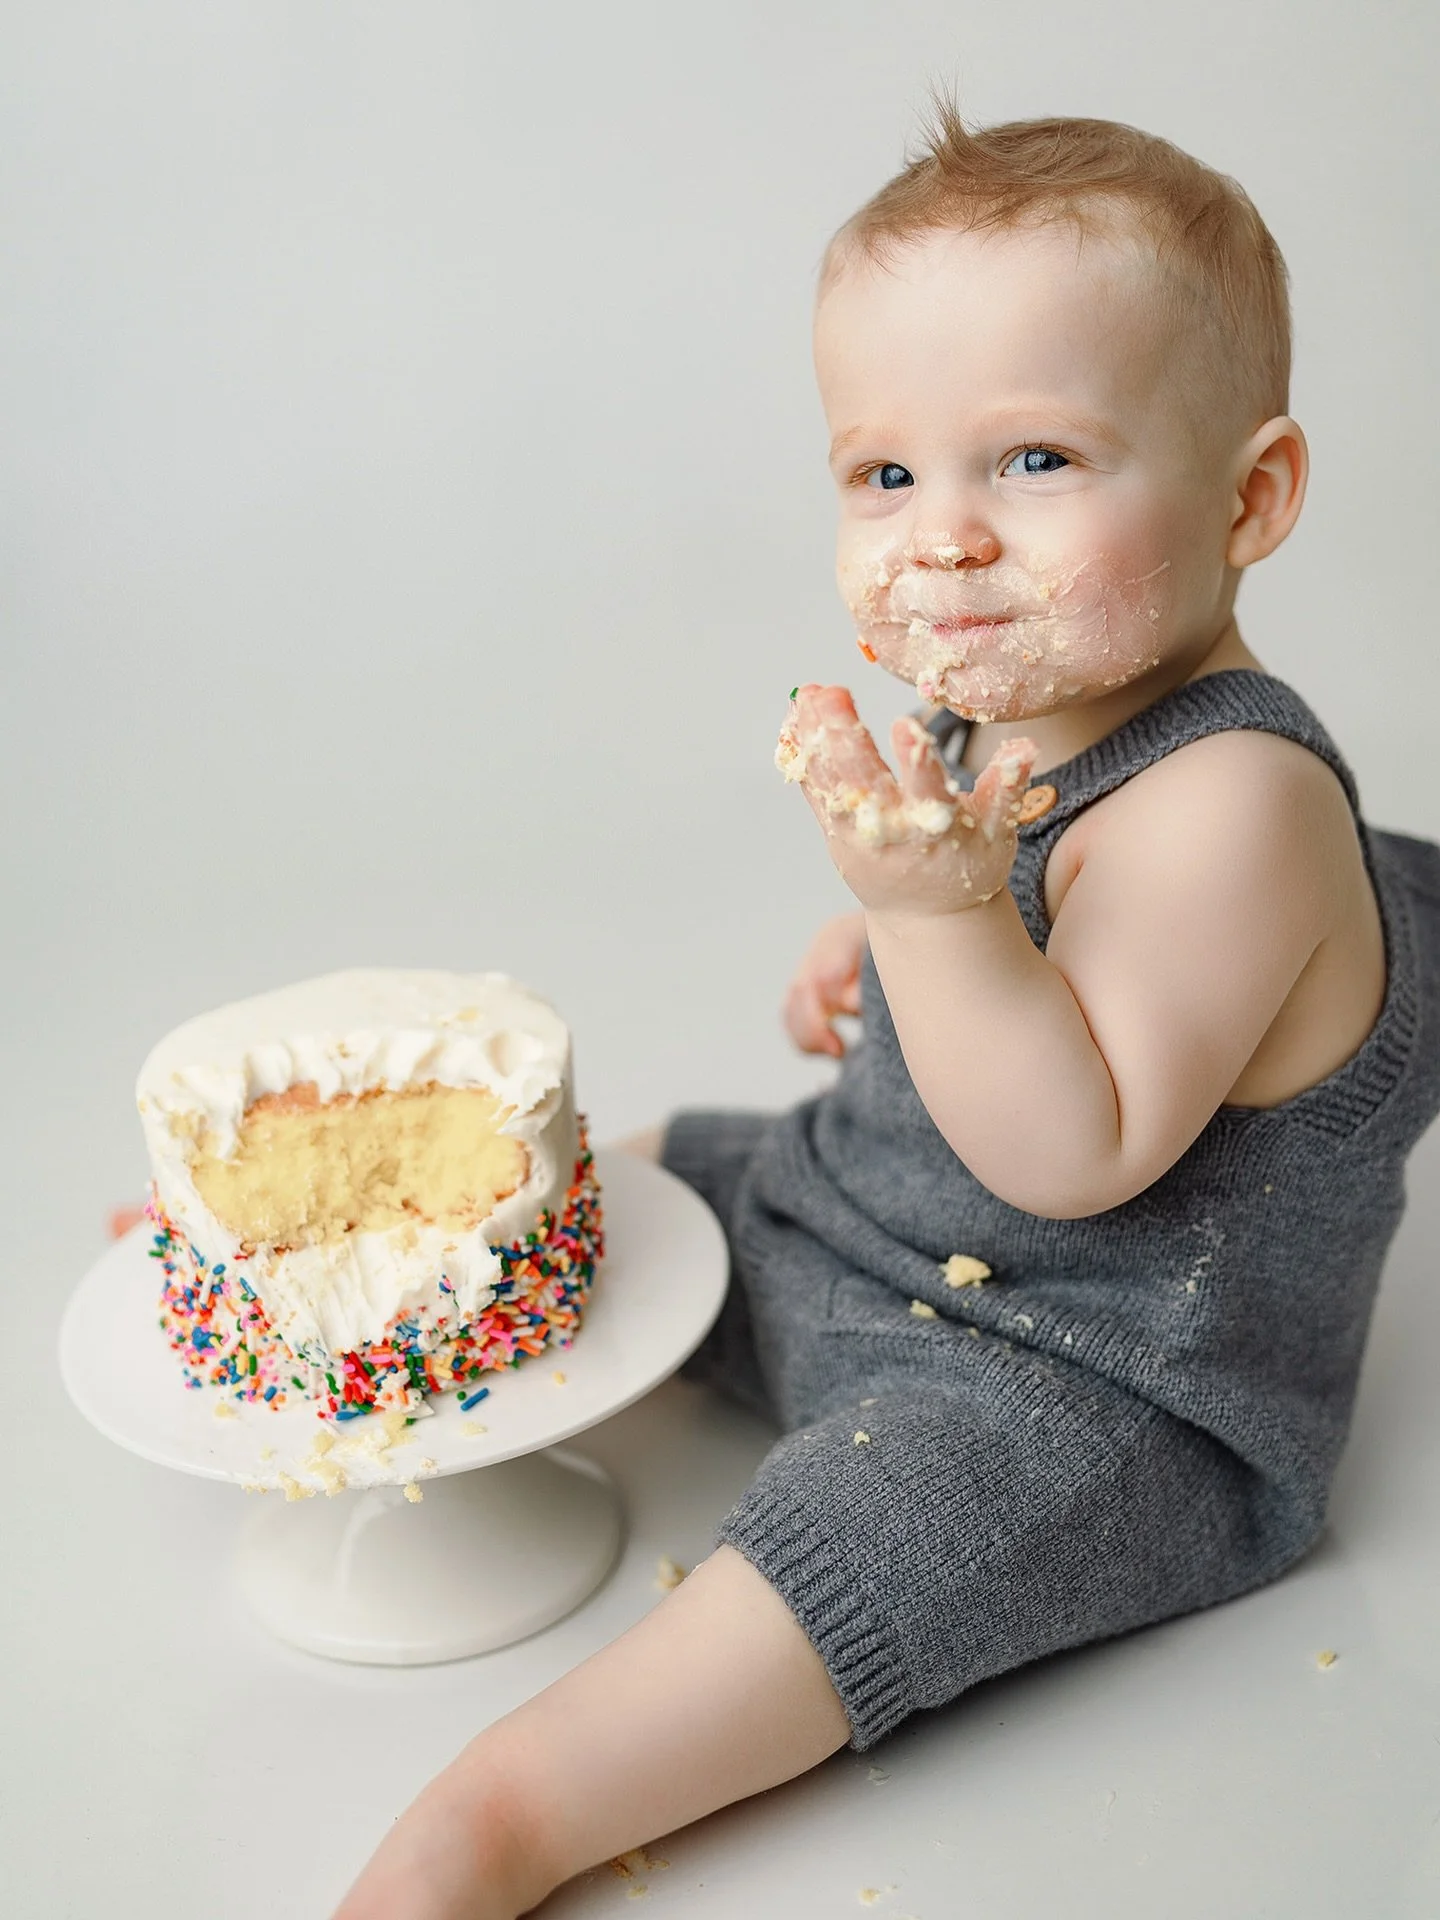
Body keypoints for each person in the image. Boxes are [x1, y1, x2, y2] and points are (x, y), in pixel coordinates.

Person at [332, 103, 1440, 1919]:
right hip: (856, 1217)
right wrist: (893, 947)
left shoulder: (1233, 805)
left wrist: (926, 922)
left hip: (1089, 1383)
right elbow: (1012, 926)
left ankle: (494, 1830)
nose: (946, 546)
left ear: (1250, 498)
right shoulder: (1023, 689)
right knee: (632, 1175)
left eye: (1033, 460)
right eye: (885, 476)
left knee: (812, 1578)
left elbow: (1067, 1153)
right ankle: (320, 1271)